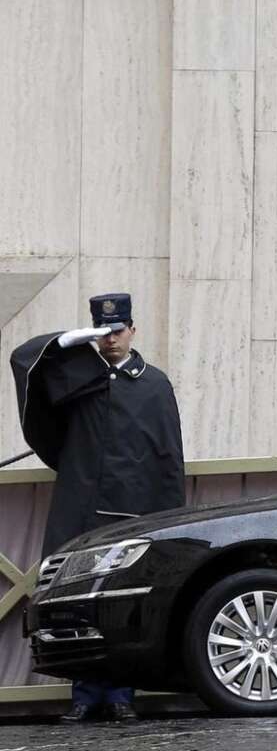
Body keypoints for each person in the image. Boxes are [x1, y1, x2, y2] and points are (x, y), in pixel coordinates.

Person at [9, 293, 185, 725]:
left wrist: (169, 516)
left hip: (135, 513)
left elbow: (169, 455)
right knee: (76, 604)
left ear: (133, 330)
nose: (111, 340)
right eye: (103, 332)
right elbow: (27, 361)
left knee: (127, 608)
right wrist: (69, 341)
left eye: (118, 331)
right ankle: (84, 694)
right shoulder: (77, 380)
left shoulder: (155, 384)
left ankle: (122, 693)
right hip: (82, 510)